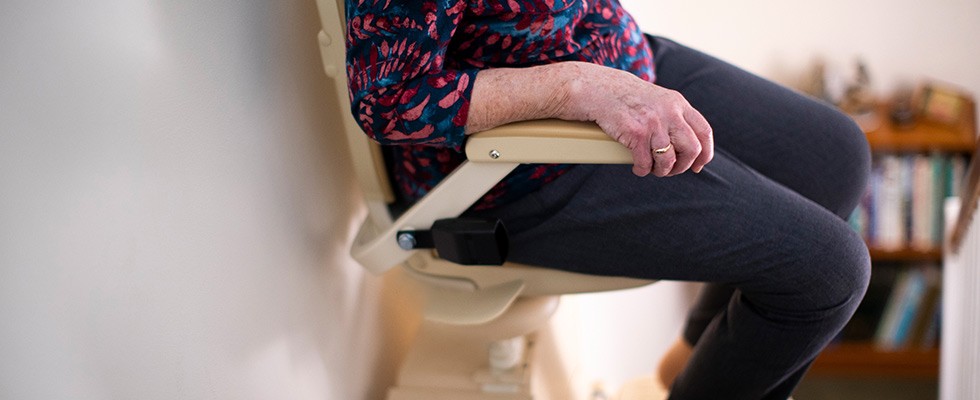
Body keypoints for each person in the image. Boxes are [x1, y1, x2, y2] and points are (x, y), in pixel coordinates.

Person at [344, 1, 871, 399]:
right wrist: (575, 88)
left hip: (618, 59)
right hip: (519, 168)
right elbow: (389, 100)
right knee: (830, 273)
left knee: (835, 157)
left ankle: (694, 356)